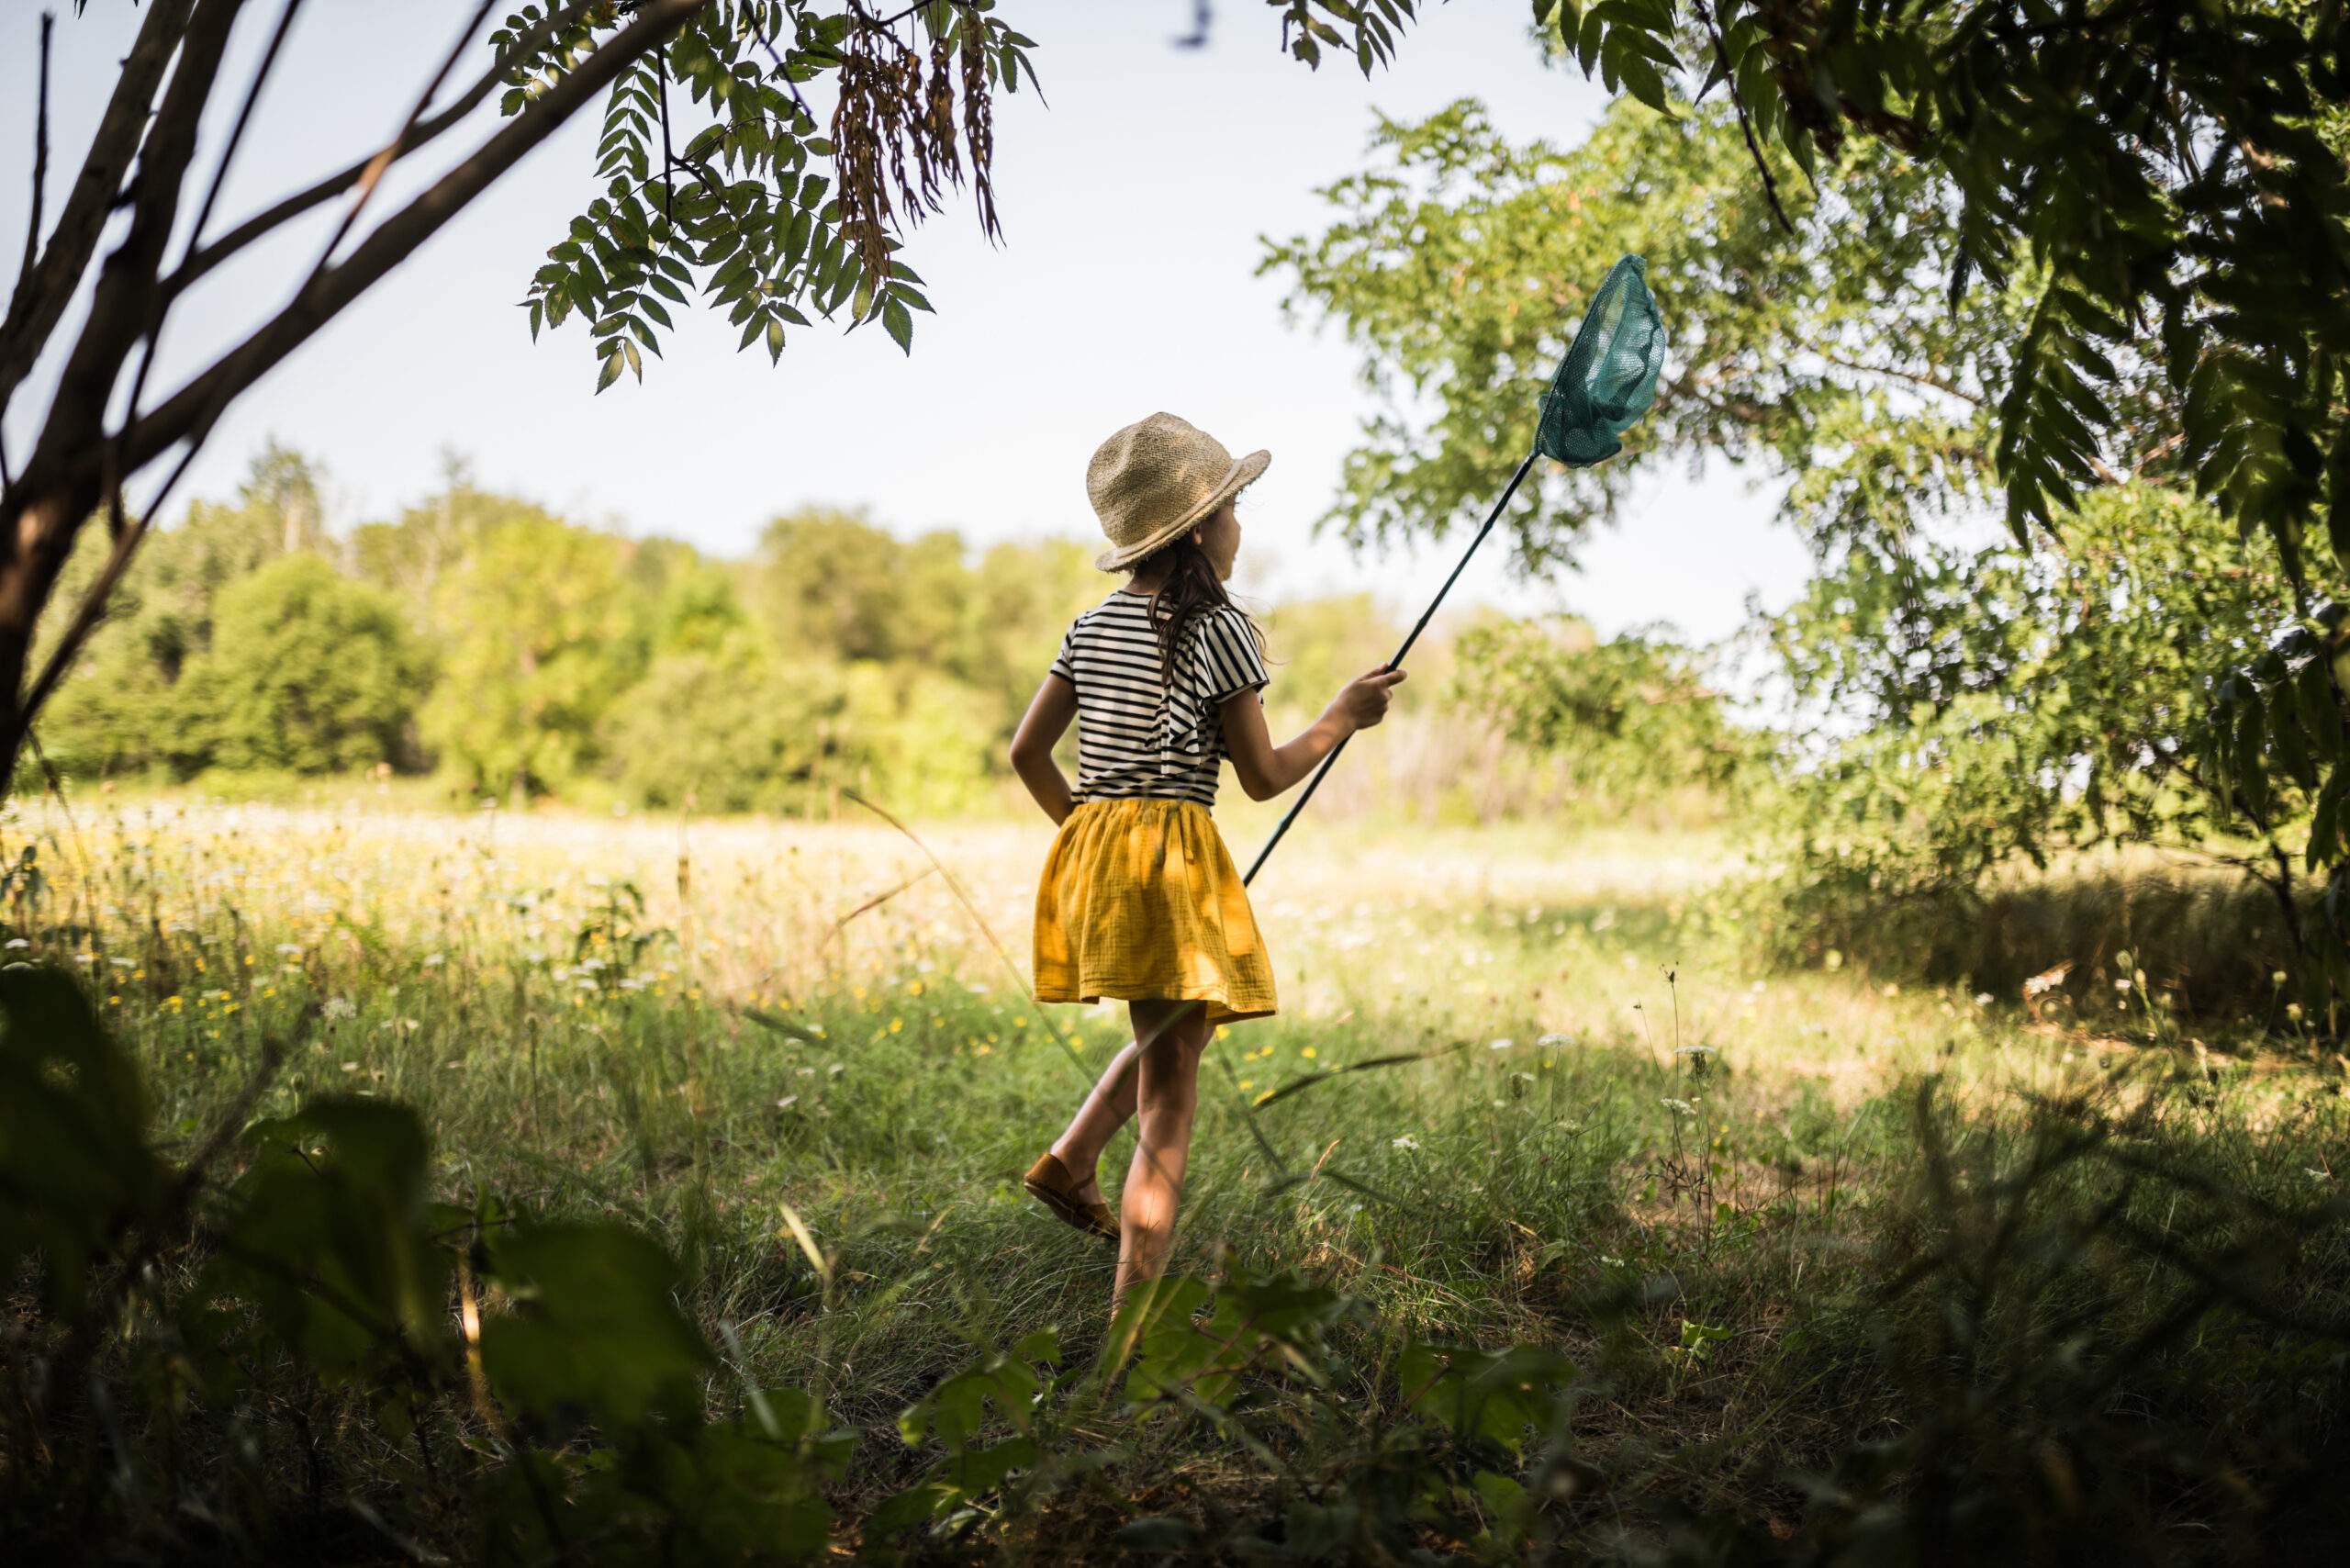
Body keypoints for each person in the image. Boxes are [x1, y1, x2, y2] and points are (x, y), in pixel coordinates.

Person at [1007, 411, 1405, 1308]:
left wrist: (1090, 835)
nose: (1238, 527)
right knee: (1170, 1098)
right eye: (1232, 509)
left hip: (1096, 857)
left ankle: (1071, 1161)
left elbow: (1026, 754)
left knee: (1180, 1034)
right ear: (1196, 529)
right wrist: (1341, 717)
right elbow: (1263, 778)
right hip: (1170, 864)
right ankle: (1130, 1321)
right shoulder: (1221, 630)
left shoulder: (1088, 627)